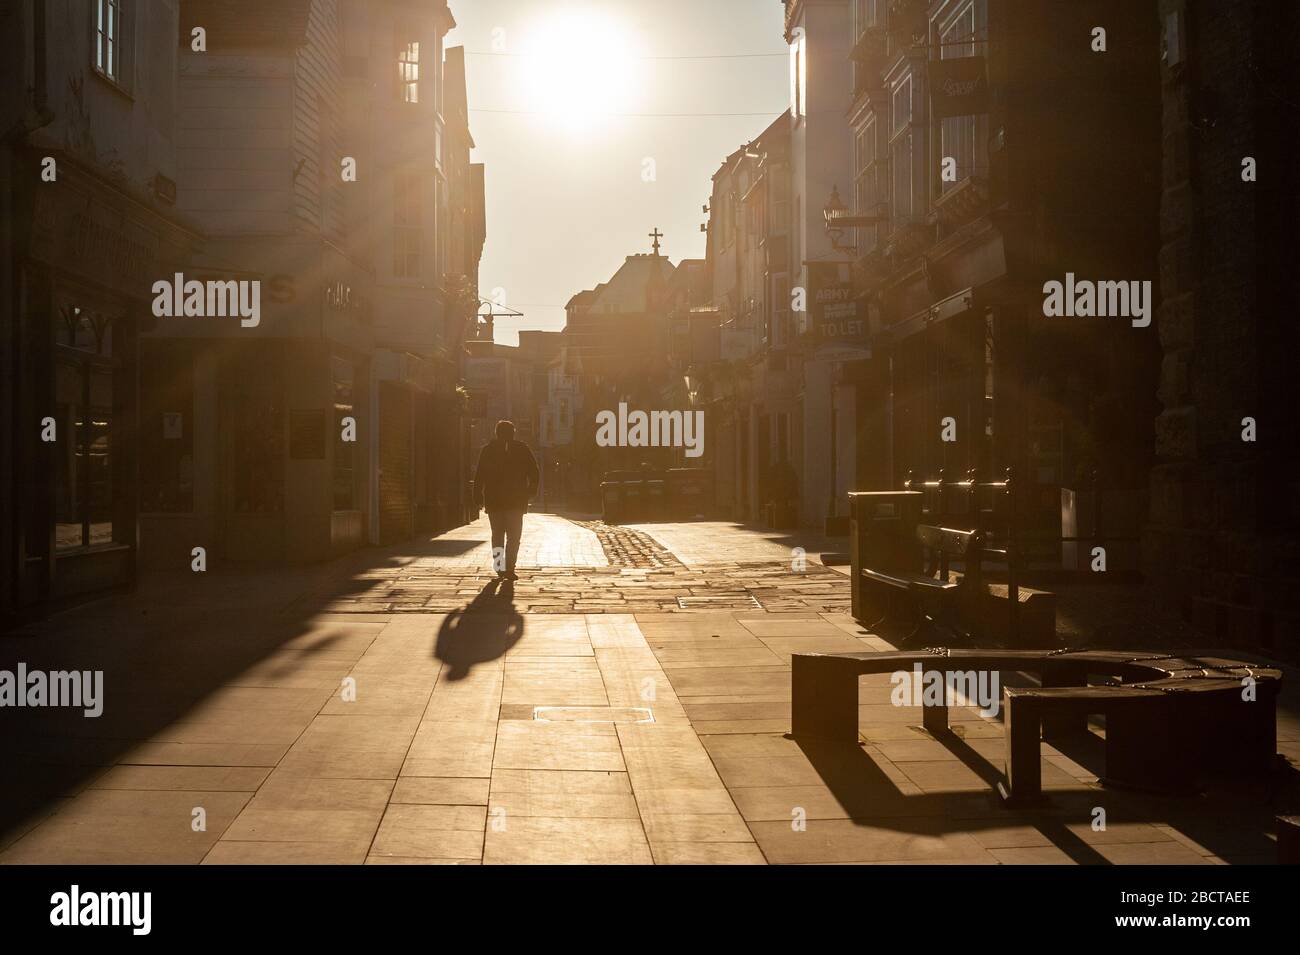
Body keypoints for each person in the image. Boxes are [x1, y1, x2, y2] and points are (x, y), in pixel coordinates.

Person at [473, 420, 540, 580]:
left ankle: (500, 567)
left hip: (494, 500)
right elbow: (534, 471)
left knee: (497, 535)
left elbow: (479, 474)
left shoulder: (488, 450)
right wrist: (530, 491)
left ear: (496, 433)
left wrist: (477, 495)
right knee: (514, 536)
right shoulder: (522, 449)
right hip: (516, 500)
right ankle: (509, 568)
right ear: (513, 432)